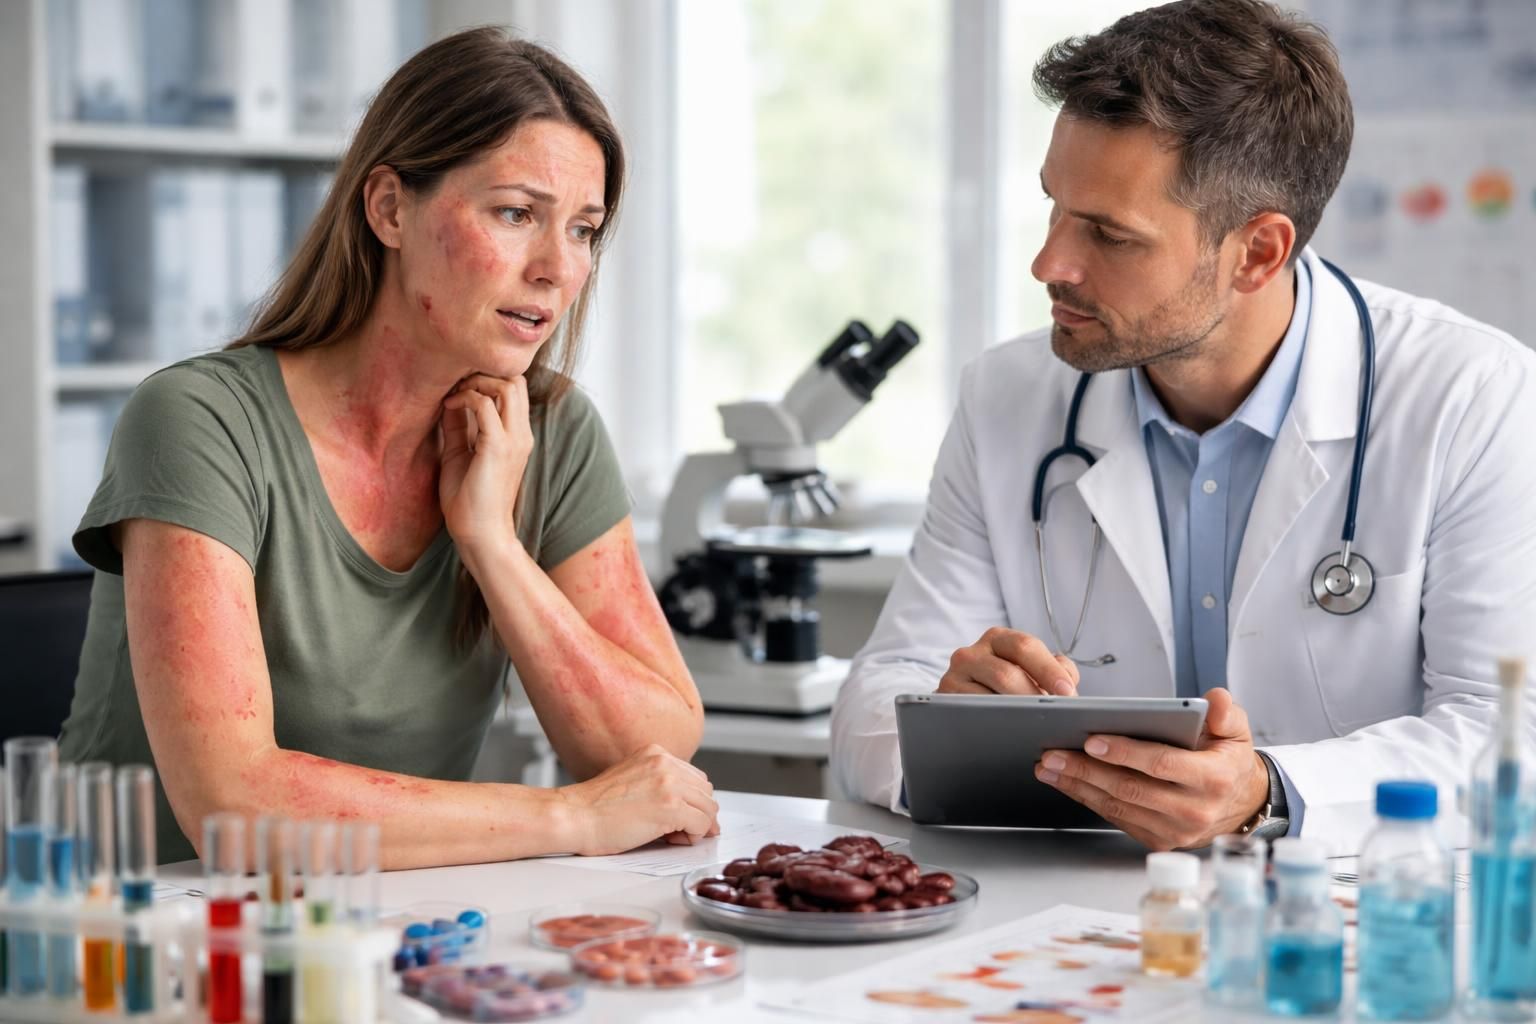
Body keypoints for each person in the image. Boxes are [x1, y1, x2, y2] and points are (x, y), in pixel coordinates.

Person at [831, 0, 1536, 855]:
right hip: (1084, 923)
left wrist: (1268, 793)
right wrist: (950, 723)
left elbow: (1509, 739)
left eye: (1109, 234)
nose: (1049, 263)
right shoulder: (1010, 396)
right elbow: (879, 698)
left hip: (1359, 922)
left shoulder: (1473, 396)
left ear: (1259, 253)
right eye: (1055, 206)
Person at [60, 28, 718, 867]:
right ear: (389, 209)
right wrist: (571, 819)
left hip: (383, 934)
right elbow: (233, 804)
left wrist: (492, 543)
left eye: (585, 230)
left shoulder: (551, 430)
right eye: (516, 214)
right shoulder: (197, 420)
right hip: (143, 948)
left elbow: (653, 748)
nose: (560, 267)